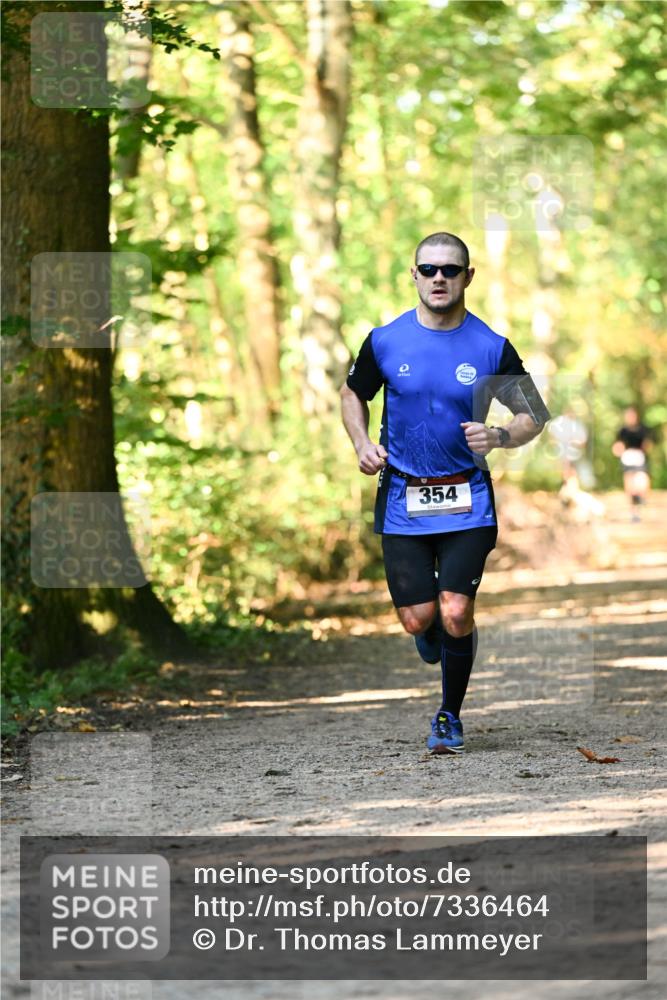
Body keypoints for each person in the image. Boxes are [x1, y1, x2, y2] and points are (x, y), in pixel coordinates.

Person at [340, 231, 550, 754]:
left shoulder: (490, 346)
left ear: (467, 278)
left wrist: (500, 436)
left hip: (468, 497)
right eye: (429, 269)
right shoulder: (385, 340)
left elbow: (533, 414)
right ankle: (428, 630)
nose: (439, 278)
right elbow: (352, 393)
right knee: (421, 618)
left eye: (450, 270)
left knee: (457, 610)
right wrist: (362, 442)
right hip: (403, 499)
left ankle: (448, 716)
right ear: (413, 275)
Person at [612, 406, 652, 521]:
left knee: (642, 482)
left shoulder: (642, 429)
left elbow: (647, 444)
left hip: (639, 458)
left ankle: (641, 499)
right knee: (630, 487)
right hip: (627, 458)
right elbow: (618, 445)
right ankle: (634, 513)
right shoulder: (622, 431)